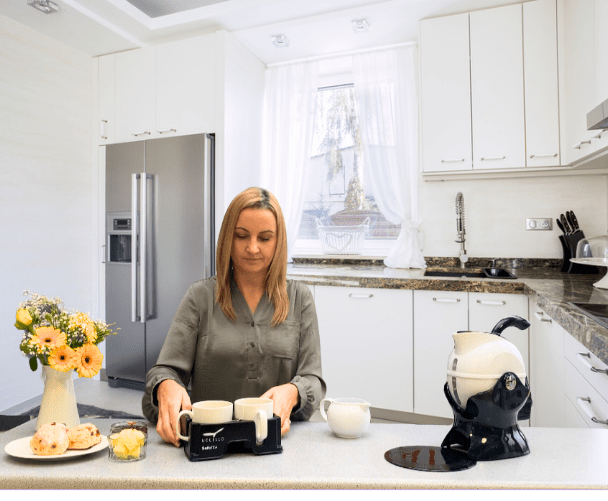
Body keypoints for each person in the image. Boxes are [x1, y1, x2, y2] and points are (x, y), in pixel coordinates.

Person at [142, 187, 326, 446]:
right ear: (228, 237)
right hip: (211, 443)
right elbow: (164, 370)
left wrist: (294, 391)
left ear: (279, 241)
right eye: (241, 236)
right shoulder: (200, 297)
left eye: (264, 238)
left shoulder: (300, 298)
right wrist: (165, 385)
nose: (252, 248)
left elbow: (313, 380)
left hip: (279, 443)